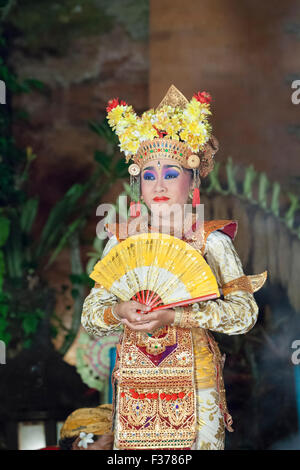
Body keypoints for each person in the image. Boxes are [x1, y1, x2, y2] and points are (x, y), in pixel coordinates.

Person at [81, 85, 264, 450]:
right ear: (138, 183)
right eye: (149, 175)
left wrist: (176, 317)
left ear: (193, 179)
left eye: (171, 173)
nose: (159, 184)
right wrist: (118, 310)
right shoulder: (120, 242)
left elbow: (244, 315)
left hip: (197, 386)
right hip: (136, 384)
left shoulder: (212, 241)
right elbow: (90, 316)